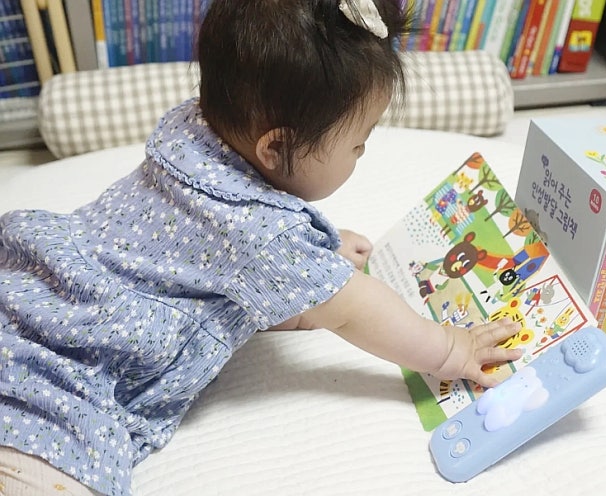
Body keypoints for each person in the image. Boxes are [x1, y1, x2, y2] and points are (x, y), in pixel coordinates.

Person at [0, 1, 523, 494]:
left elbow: (208, 261)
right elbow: (355, 309)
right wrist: (450, 349)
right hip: (57, 377)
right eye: (358, 142)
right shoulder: (264, 238)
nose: (363, 151)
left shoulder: (192, 128)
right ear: (276, 147)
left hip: (28, 286)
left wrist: (312, 264)